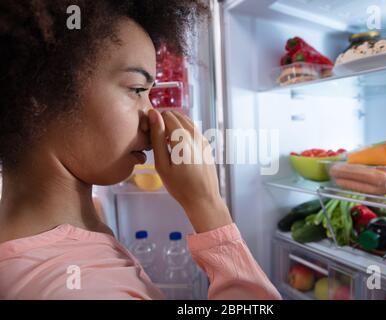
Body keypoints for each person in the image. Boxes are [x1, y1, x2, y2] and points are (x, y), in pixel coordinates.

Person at [0, 0, 281, 300]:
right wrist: (208, 205)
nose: (152, 117)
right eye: (136, 89)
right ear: (41, 96)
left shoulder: (55, 244)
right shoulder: (76, 290)